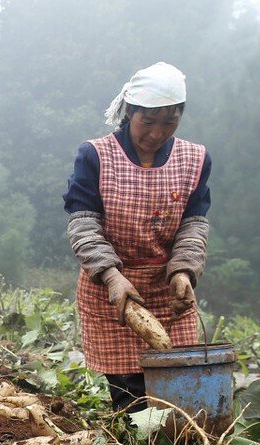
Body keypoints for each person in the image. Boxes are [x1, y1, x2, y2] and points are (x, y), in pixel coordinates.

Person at [63, 62, 211, 412]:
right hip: (111, 291)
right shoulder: (95, 155)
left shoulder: (194, 158)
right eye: (149, 121)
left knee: (179, 390)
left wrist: (183, 271)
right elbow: (83, 223)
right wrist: (113, 277)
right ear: (129, 112)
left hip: (166, 289)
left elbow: (194, 223)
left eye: (169, 121)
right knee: (132, 400)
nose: (158, 133)